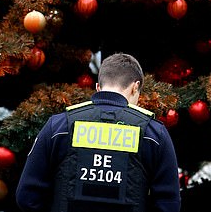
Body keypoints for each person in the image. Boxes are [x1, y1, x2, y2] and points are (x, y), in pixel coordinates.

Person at [16, 53, 181, 212]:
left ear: (98, 87)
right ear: (135, 87)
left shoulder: (59, 126)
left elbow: (27, 197)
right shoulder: (154, 134)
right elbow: (169, 204)